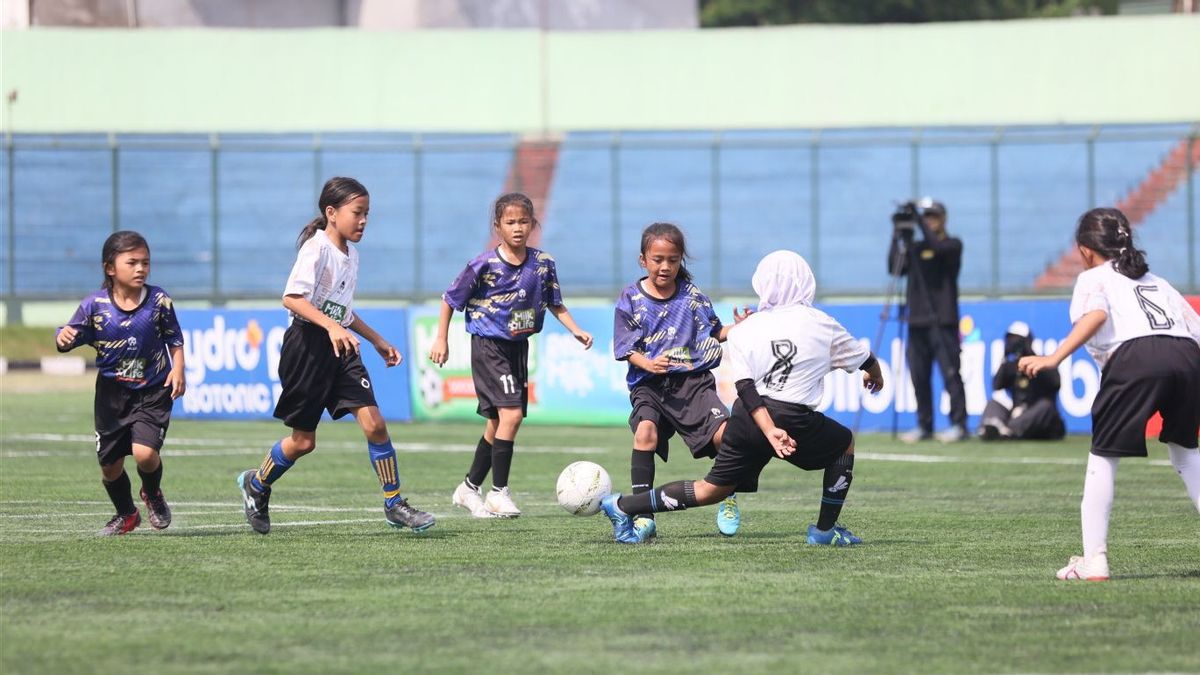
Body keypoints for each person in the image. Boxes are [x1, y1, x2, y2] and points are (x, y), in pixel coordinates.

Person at [599, 250, 885, 545]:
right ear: (806, 282)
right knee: (844, 443)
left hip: (748, 417)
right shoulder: (822, 323)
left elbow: (745, 385)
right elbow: (865, 358)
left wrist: (765, 426)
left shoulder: (750, 327)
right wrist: (875, 375)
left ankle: (622, 505)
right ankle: (825, 531)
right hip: (792, 420)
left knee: (710, 489)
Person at [236, 177, 434, 535]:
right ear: (331, 213)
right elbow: (293, 299)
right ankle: (257, 484)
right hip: (306, 349)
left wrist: (376, 339)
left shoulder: (352, 255)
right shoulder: (315, 249)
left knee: (374, 423)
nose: (363, 221)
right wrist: (330, 326)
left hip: (340, 348)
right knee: (303, 442)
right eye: (357, 213)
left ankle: (394, 503)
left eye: (367, 214)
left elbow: (343, 312)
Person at [1019, 207, 1200, 581]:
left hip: (1135, 357)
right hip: (1187, 357)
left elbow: (1096, 316)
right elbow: (1194, 328)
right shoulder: (1158, 281)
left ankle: (1095, 560)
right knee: (1187, 453)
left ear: (1085, 250)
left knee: (1103, 458)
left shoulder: (1093, 278)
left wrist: (1054, 357)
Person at [431, 192, 594, 518]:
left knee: (497, 423)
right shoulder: (483, 264)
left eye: (523, 221)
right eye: (510, 222)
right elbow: (450, 299)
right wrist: (441, 339)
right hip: (489, 347)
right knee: (512, 417)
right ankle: (498, 492)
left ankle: (468, 488)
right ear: (498, 227)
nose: (517, 228)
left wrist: (575, 329)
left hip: (519, 347)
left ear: (533, 224)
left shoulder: (543, 263)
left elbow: (554, 302)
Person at [613, 223, 751, 540]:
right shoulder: (631, 298)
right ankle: (642, 516)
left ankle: (727, 494)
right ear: (643, 260)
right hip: (650, 384)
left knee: (726, 435)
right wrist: (646, 362)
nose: (665, 266)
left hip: (693, 384)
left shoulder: (692, 297)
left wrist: (740, 327)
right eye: (658, 259)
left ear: (680, 261)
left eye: (672, 260)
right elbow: (624, 348)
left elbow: (717, 332)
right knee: (645, 432)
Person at [55, 231, 186, 536]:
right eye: (132, 262)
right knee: (110, 466)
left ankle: (152, 494)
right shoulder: (95, 306)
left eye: (146, 263)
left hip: (152, 389)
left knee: (144, 453)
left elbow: (175, 338)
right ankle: (126, 514)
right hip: (112, 395)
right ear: (110, 268)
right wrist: (62, 337)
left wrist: (178, 369)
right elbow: (69, 335)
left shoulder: (158, 300)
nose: (141, 268)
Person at [888, 199, 968, 443]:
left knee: (950, 374)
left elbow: (938, 248)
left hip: (943, 321)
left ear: (943, 218)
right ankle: (925, 425)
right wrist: (897, 236)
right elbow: (894, 268)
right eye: (926, 216)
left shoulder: (952, 245)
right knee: (919, 377)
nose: (929, 220)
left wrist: (919, 221)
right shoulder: (915, 248)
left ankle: (959, 424)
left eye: (933, 216)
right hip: (917, 321)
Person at [977, 321, 1065, 441]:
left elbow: (1055, 383)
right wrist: (1005, 360)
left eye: (1016, 339)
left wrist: (1033, 359)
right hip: (1017, 412)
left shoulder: (1041, 363)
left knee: (1046, 406)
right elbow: (996, 385)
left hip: (1040, 420)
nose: (1012, 343)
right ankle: (992, 426)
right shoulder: (1011, 366)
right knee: (993, 403)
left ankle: (1009, 429)